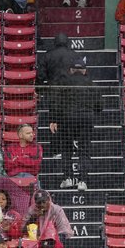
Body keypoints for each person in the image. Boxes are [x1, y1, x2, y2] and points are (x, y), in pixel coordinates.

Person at [48, 55, 103, 191]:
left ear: (71, 70)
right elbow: (100, 106)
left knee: (66, 150)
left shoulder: (63, 83)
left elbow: (56, 101)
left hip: (67, 119)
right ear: (84, 70)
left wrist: (53, 119)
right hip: (86, 119)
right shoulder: (91, 84)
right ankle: (83, 181)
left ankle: (67, 178)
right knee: (84, 151)